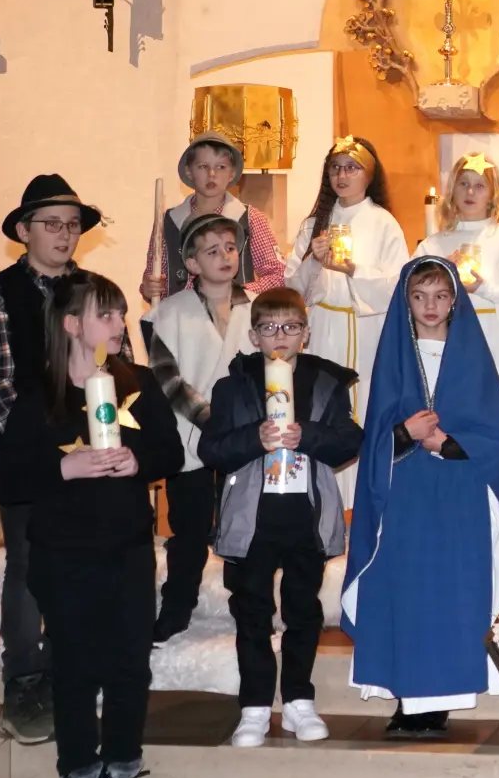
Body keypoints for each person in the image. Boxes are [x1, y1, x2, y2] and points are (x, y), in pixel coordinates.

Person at [0, 271, 182, 778]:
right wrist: (64, 470)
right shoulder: (41, 396)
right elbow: (9, 481)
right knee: (75, 668)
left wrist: (136, 460)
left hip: (126, 550)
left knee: (128, 665)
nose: (120, 324)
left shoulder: (138, 384)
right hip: (64, 555)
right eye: (107, 314)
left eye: (121, 313)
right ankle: (78, 771)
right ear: (73, 323)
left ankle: (123, 767)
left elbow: (172, 453)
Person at [345, 258, 499, 738]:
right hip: (405, 492)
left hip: (458, 489)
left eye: (441, 296)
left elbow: (495, 428)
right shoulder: (394, 355)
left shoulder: (471, 353)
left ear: (456, 301)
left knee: (451, 588)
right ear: (405, 300)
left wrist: (447, 443)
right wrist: (403, 434)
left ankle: (443, 695)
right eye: (419, 296)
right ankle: (409, 694)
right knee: (406, 587)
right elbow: (374, 434)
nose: (430, 306)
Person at [0, 175, 110, 745]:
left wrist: (102, 443)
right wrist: (47, 453)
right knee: (28, 570)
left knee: (80, 566)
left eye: (73, 223)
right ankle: (23, 686)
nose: (65, 233)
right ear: (24, 231)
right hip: (27, 460)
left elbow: (112, 369)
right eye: (51, 223)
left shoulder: (93, 289)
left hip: (90, 455)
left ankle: (63, 675)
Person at [199, 286, 362, 748]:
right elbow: (212, 449)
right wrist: (257, 438)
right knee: (251, 610)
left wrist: (305, 435)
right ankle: (253, 706)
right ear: (253, 335)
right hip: (253, 515)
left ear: (305, 334)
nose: (280, 337)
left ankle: (297, 700)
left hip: (304, 513)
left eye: (290, 328)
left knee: (303, 608)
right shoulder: (233, 386)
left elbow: (349, 441)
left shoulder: (326, 382)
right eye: (269, 328)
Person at [138, 214, 258, 642]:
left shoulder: (257, 307)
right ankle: (176, 607)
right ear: (191, 264)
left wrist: (242, 422)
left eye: (230, 247)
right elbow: (166, 377)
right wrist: (209, 418)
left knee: (241, 524)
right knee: (188, 528)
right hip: (190, 436)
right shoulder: (169, 312)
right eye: (212, 250)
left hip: (245, 437)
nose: (225, 256)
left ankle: (247, 604)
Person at [414, 151, 499, 525]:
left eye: (479, 185)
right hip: (440, 349)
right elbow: (409, 296)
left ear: (493, 194)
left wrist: (484, 287)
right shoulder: (432, 245)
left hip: (491, 349)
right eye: (463, 184)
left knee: (490, 429)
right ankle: (443, 512)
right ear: (451, 191)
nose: (471, 192)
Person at [283, 135, 409, 508]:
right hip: (322, 328)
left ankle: (364, 499)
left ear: (369, 175)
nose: (342, 175)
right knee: (321, 407)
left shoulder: (383, 223)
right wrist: (311, 262)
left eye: (352, 167)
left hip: (364, 327)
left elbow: (398, 283)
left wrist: (353, 269)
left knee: (364, 406)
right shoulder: (314, 224)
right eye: (335, 167)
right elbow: (292, 289)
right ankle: (322, 496)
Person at [140, 132, 286, 300]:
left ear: (232, 174)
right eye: (203, 166)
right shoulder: (169, 221)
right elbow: (154, 280)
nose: (212, 174)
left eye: (220, 167)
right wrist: (150, 289)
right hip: (181, 320)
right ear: (189, 171)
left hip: (234, 320)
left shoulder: (250, 218)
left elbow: (279, 275)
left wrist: (236, 293)